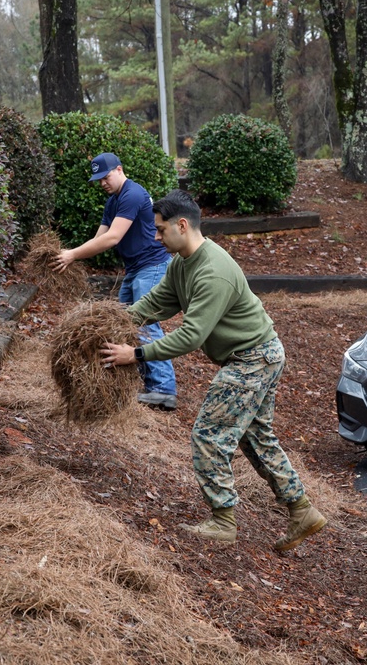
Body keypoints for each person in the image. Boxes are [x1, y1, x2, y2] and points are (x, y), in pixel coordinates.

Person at [99, 190, 327, 551]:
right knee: (255, 438)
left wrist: (137, 353)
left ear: (182, 225)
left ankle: (222, 520)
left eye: (160, 230)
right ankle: (302, 511)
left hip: (253, 358)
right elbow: (157, 303)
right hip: (254, 357)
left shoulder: (213, 271)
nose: (155, 237)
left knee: (208, 435)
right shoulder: (181, 263)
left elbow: (191, 336)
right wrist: (109, 321)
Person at [52, 152, 177, 410]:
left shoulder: (132, 194)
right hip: (135, 269)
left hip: (151, 266)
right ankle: (143, 383)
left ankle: (164, 390)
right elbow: (100, 237)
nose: (102, 183)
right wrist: (72, 256)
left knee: (146, 325)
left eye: (106, 177)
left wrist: (72, 255)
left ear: (119, 169)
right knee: (125, 326)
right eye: (98, 180)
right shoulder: (114, 201)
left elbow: (112, 239)